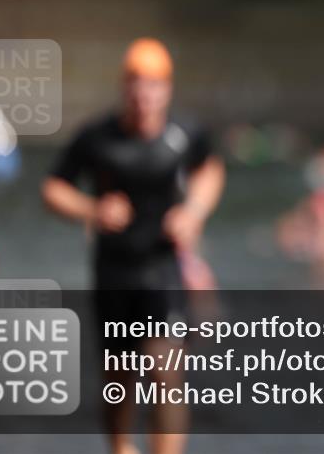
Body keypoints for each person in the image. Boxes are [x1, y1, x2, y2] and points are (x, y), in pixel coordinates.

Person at [42, 38, 225, 454]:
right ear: (124, 88)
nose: (144, 95)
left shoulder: (185, 133)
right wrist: (92, 208)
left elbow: (210, 170)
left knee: (166, 371)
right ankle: (121, 446)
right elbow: (53, 188)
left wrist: (193, 212)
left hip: (162, 265)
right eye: (136, 85)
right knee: (120, 379)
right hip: (114, 269)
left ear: (167, 89)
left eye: (154, 85)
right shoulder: (97, 138)